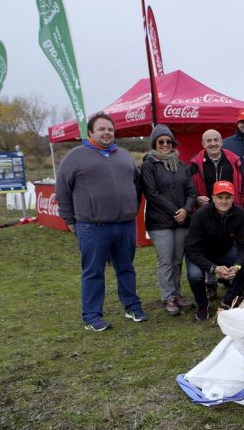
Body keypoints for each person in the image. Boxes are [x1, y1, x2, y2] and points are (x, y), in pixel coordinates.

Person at [56, 112, 147, 331]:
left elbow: (136, 186)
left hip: (125, 224)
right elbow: (62, 190)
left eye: (110, 129)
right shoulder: (75, 157)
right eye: (101, 129)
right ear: (90, 133)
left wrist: (130, 211)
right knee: (94, 271)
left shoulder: (124, 155)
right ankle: (92, 316)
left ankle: (131, 306)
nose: (107, 133)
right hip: (92, 227)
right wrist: (69, 219)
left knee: (126, 268)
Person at [141, 124, 198, 316]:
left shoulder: (181, 165)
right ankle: (168, 297)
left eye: (168, 141)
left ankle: (177, 293)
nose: (165, 144)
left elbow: (191, 191)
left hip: (182, 220)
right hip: (160, 221)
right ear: (155, 143)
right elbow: (152, 193)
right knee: (165, 260)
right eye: (161, 141)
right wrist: (176, 211)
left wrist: (186, 209)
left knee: (177, 260)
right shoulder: (149, 164)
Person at [190, 129, 244, 301]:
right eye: (208, 140)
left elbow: (243, 184)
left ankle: (233, 288)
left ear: (222, 142)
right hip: (206, 212)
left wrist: (243, 206)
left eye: (216, 139)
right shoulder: (195, 163)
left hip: (230, 212)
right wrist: (195, 198)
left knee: (239, 258)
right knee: (206, 251)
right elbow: (189, 187)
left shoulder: (233, 161)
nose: (213, 143)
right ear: (203, 144)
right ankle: (210, 285)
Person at [185, 180, 244, 320]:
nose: (224, 201)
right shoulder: (200, 215)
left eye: (228, 197)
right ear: (213, 198)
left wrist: (236, 266)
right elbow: (191, 250)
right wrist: (214, 268)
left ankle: (230, 298)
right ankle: (202, 304)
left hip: (224, 252)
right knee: (195, 275)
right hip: (199, 254)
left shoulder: (239, 214)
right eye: (220, 197)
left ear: (233, 198)